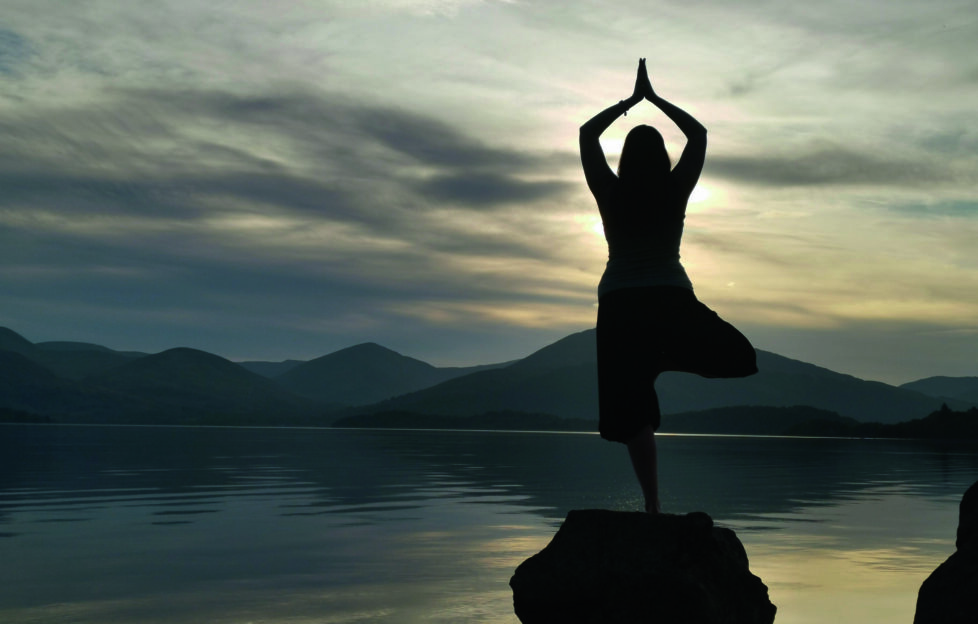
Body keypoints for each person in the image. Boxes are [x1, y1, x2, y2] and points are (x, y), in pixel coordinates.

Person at [580, 59, 758, 513]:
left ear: (625, 160)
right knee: (741, 356)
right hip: (668, 297)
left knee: (633, 409)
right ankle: (664, 357)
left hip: (619, 303)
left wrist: (629, 103)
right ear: (661, 158)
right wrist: (655, 100)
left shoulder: (610, 191)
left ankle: (653, 505)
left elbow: (586, 135)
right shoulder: (674, 189)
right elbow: (698, 136)